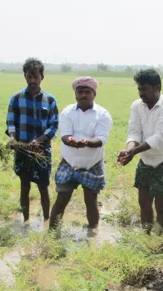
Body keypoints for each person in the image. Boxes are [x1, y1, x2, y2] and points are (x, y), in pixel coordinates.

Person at [117, 69, 163, 231]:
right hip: (146, 159)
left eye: (144, 89)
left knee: (161, 206)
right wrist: (129, 149)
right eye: (139, 89)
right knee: (143, 203)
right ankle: (146, 236)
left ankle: (160, 240)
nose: (141, 93)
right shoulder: (137, 106)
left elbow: (159, 137)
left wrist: (133, 152)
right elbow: (134, 131)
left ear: (157, 87)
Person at [49, 77, 113, 231]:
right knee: (62, 199)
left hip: (92, 163)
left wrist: (85, 142)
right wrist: (69, 140)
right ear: (75, 94)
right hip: (69, 162)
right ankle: (51, 234)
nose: (84, 95)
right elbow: (64, 135)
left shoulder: (103, 114)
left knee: (91, 201)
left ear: (94, 94)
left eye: (87, 92)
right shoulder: (67, 112)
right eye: (80, 92)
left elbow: (101, 139)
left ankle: (93, 233)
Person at [6, 58, 59, 222]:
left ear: (42, 77)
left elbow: (53, 125)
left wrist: (39, 140)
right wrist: (13, 138)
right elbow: (11, 122)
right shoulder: (16, 98)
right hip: (22, 149)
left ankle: (46, 220)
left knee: (43, 187)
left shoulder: (50, 100)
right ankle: (26, 221)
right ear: (25, 76)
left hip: (42, 150)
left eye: (36, 77)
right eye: (29, 77)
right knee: (24, 187)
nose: (32, 81)